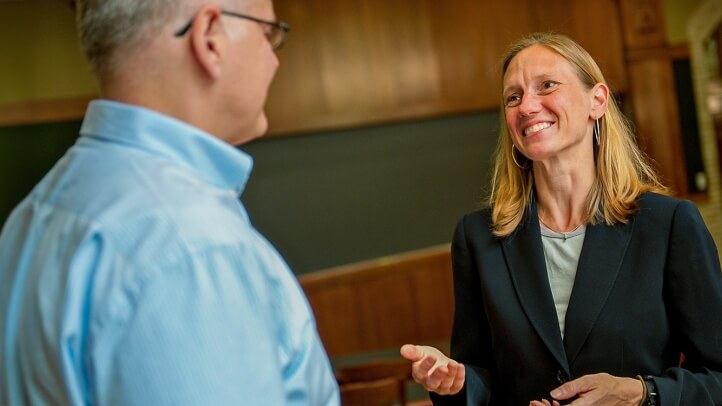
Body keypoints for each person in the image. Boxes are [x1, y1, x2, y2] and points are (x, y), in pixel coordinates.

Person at [0, 1, 339, 405]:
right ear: (210, 38)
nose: (274, 59)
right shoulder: (190, 250)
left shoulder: (33, 216)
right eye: (267, 33)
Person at [401, 32, 722, 405]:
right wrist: (456, 384)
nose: (527, 106)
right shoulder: (477, 237)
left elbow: (717, 377)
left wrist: (640, 393)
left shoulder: (668, 225)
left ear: (597, 101)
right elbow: (482, 382)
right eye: (513, 97)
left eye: (547, 86)